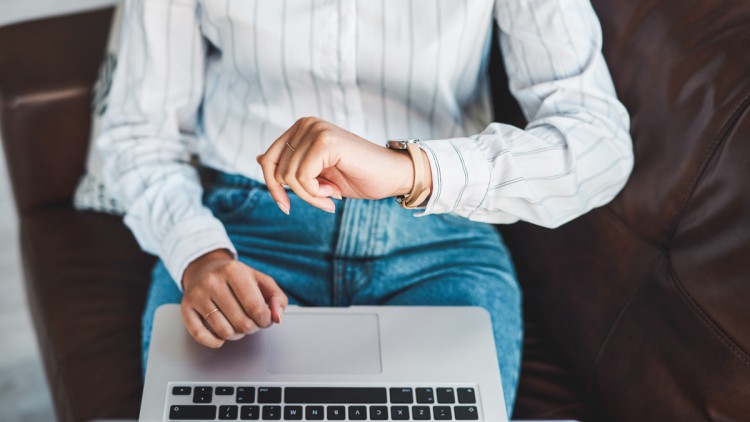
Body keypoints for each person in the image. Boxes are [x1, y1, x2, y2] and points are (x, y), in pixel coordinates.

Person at [97, 0, 633, 414]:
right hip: (242, 240)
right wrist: (198, 256)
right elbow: (135, 135)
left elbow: (597, 142)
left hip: (441, 240)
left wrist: (409, 170)